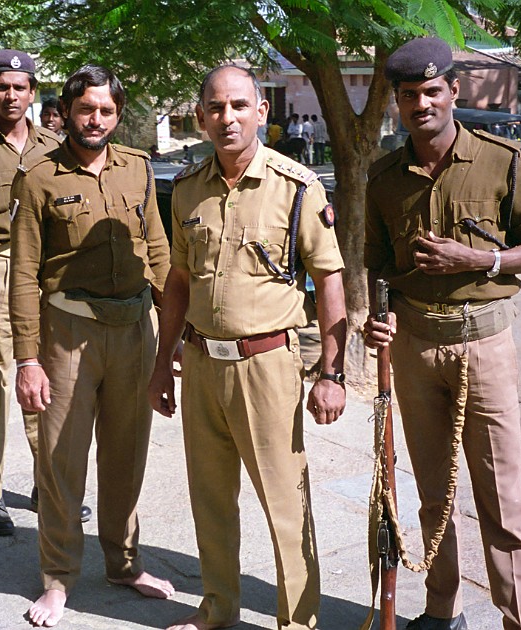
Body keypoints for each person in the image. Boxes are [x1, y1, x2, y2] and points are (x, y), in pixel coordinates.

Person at [363, 37, 521, 630]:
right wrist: (378, 314)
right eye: (407, 96)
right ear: (397, 104)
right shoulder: (384, 177)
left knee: (502, 499)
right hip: (415, 345)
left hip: (485, 343)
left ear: (453, 91)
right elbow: (375, 262)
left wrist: (476, 261)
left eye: (430, 91)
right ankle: (441, 611)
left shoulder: (503, 159)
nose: (420, 104)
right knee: (433, 494)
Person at [148, 65, 348, 630]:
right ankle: (217, 609)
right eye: (215, 107)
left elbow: (330, 279)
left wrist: (330, 372)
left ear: (262, 112)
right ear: (200, 117)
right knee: (210, 502)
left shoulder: (297, 187)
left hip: (267, 366)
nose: (227, 117)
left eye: (239, 105)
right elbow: (179, 282)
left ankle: (296, 622)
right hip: (202, 366)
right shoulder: (187, 189)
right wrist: (162, 365)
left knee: (286, 506)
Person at [10, 64, 174, 628]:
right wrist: (28, 359)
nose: (95, 120)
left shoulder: (139, 170)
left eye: (106, 111)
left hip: (134, 333)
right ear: (68, 110)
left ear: (117, 115)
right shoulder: (38, 178)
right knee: (61, 462)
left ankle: (124, 564)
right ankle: (57, 580)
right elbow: (24, 274)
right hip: (67, 335)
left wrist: (176, 333)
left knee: (127, 455)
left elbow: (158, 249)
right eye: (86, 110)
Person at [0, 49, 87, 537]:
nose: (11, 95)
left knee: (45, 381)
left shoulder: (54, 145)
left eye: (20, 87)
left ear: (33, 92)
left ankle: (46, 486)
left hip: (46, 275)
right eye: (2, 87)